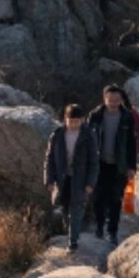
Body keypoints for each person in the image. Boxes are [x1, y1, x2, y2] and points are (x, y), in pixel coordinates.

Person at [90, 82, 139, 246]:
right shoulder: (95, 116)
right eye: (110, 100)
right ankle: (98, 227)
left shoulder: (127, 117)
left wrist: (132, 167)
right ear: (104, 99)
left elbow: (132, 143)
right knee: (97, 197)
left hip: (119, 165)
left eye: (116, 100)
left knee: (115, 199)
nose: (113, 104)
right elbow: (87, 141)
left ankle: (112, 232)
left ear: (121, 100)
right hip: (99, 164)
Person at [45, 102, 96, 251]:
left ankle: (73, 241)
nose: (73, 124)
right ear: (65, 119)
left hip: (80, 178)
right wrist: (49, 179)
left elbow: (94, 161)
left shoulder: (88, 135)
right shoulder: (57, 134)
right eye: (71, 121)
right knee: (65, 207)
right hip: (62, 178)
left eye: (77, 121)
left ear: (82, 120)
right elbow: (49, 158)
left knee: (77, 208)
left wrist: (90, 183)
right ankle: (70, 233)